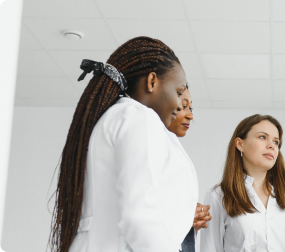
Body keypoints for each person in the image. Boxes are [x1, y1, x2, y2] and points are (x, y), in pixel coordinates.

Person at [49, 36, 199, 252]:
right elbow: (138, 216)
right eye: (178, 92)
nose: (179, 104)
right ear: (152, 81)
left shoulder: (113, 117)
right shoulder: (139, 118)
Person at [200, 114, 285, 252]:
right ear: (240, 144)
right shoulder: (218, 197)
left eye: (276, 142)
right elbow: (210, 248)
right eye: (262, 137)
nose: (271, 146)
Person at [165, 88, 213, 252]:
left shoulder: (172, 148)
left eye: (190, 108)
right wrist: (183, 216)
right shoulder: (150, 146)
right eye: (181, 107)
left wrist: (191, 224)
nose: (190, 116)